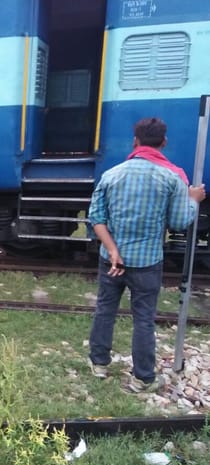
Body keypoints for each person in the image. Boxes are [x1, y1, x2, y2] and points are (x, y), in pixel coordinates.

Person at [87, 118, 205, 393]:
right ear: (164, 142)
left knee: (105, 309)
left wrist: (113, 250)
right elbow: (179, 221)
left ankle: (99, 364)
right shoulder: (172, 178)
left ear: (135, 142)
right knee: (143, 318)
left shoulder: (112, 175)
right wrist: (193, 200)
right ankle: (142, 378)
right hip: (147, 262)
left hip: (111, 260)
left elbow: (96, 219)